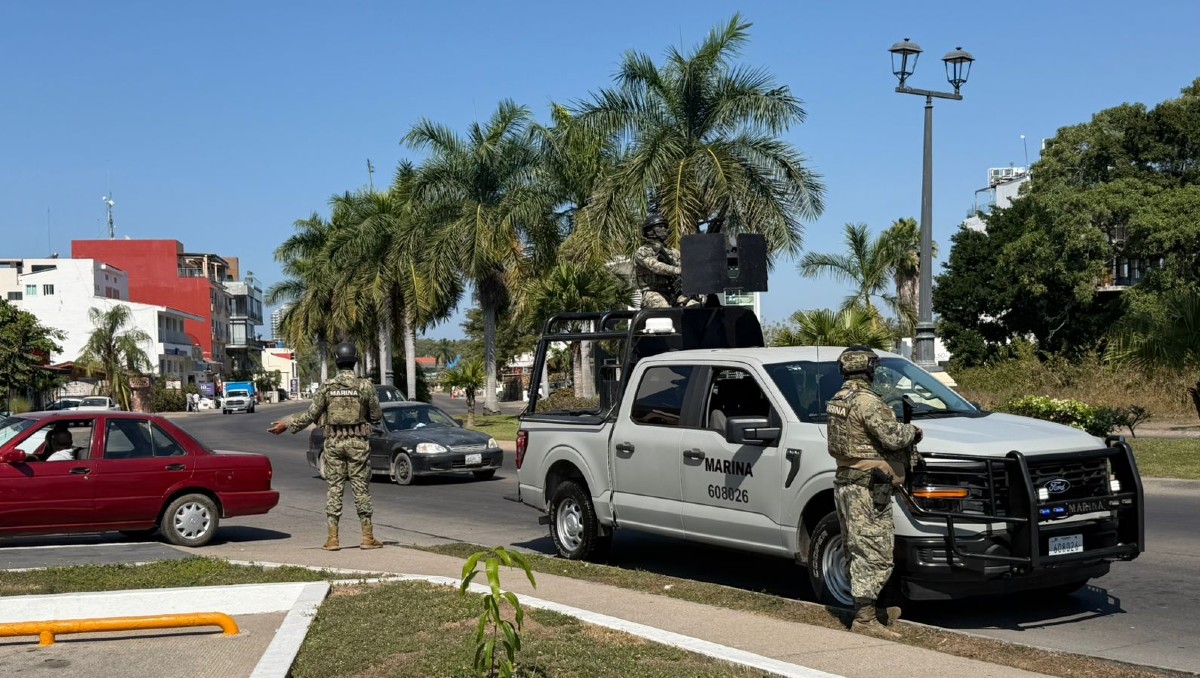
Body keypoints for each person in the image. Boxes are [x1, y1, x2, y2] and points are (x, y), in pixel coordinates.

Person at [826, 346, 922, 639]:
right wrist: (914, 432)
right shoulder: (868, 402)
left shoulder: (838, 400)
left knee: (858, 548)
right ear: (869, 370)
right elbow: (893, 437)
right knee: (875, 551)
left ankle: (872, 610)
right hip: (867, 489)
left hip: (848, 483)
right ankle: (865, 618)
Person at [269, 342, 383, 551]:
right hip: (358, 444)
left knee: (334, 489)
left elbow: (311, 415)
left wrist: (287, 424)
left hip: (333, 443)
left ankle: (332, 539)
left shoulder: (327, 387)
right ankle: (367, 537)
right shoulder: (365, 386)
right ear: (355, 361)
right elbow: (376, 416)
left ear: (337, 362)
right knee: (361, 490)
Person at [634, 206, 696, 309]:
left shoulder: (673, 252)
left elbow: (685, 266)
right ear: (649, 231)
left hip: (674, 292)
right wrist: (678, 270)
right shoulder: (643, 251)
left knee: (695, 306)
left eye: (665, 226)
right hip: (653, 293)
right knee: (664, 309)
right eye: (660, 226)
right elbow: (656, 266)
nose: (664, 229)